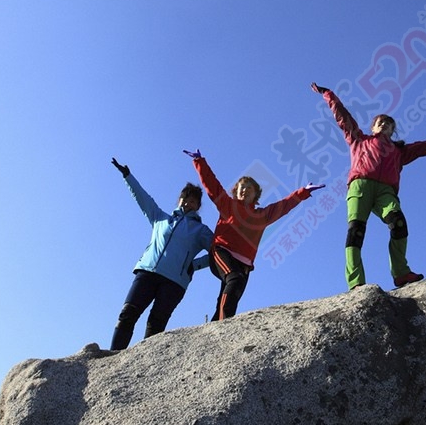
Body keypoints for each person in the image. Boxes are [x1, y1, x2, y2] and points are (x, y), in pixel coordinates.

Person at [310, 82, 426, 289]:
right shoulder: (359, 139)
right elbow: (343, 117)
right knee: (356, 232)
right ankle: (356, 282)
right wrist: (328, 94)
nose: (384, 125)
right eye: (380, 122)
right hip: (360, 187)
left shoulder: (399, 151)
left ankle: (401, 273)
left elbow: (424, 147)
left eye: (388, 124)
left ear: (393, 130)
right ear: (373, 127)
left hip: (386, 191)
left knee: (399, 224)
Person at [184, 150, 324, 320]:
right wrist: (200, 162)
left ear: (256, 196)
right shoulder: (227, 204)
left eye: (249, 189)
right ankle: (224, 326)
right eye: (242, 187)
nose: (245, 191)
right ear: (236, 191)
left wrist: (303, 192)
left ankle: (214, 329)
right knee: (234, 280)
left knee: (230, 295)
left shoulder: (261, 216)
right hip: (222, 252)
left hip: (244, 263)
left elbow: (284, 205)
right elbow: (212, 185)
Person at [108, 157, 214, 349]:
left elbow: (217, 252)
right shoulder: (160, 218)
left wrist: (194, 265)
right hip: (147, 272)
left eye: (193, 201)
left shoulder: (201, 231)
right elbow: (144, 199)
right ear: (179, 199)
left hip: (174, 282)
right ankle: (112, 358)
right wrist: (128, 176)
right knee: (127, 313)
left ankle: (145, 367)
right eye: (185, 198)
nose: (188, 203)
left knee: (155, 324)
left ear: (198, 206)